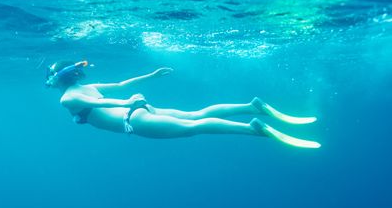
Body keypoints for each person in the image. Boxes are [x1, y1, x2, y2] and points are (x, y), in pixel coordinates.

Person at [45, 60, 321, 148]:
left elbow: (108, 102)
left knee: (195, 126)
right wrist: (149, 76)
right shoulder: (85, 86)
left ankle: (252, 128)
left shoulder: (67, 97)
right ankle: (251, 106)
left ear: (57, 80)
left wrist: (128, 101)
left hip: (134, 120)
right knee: (196, 114)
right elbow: (119, 86)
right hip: (141, 111)